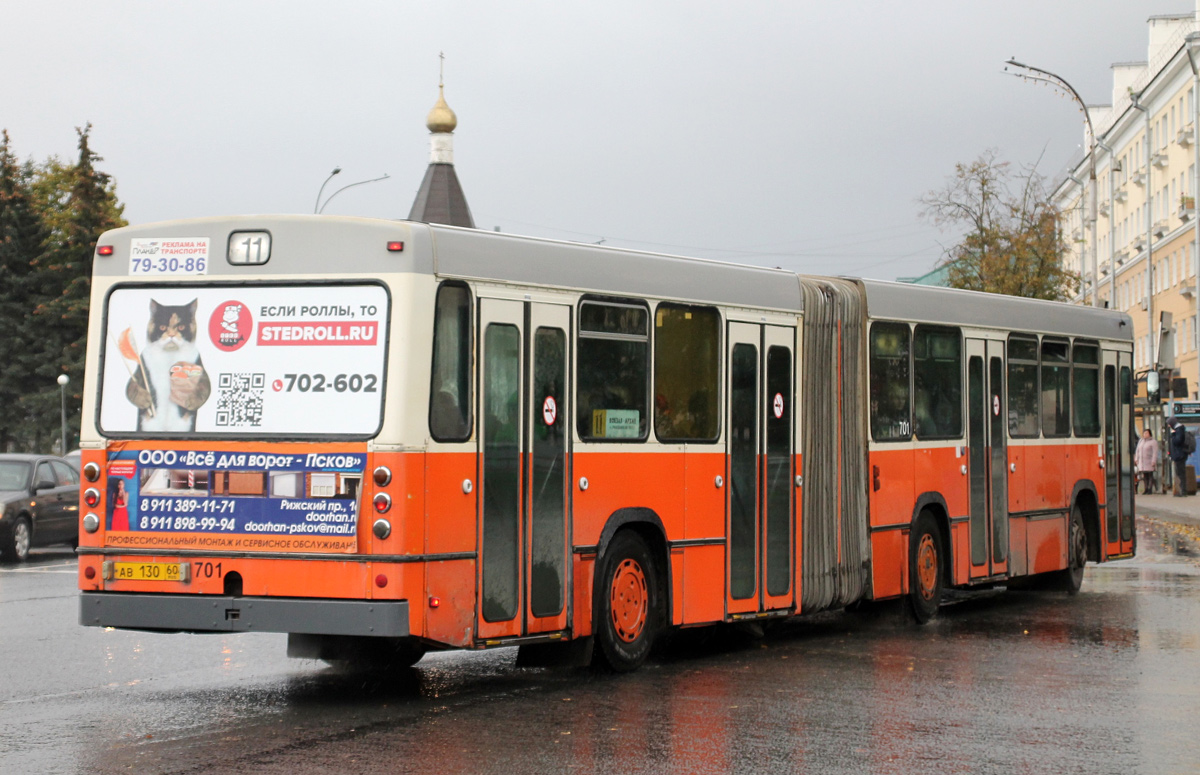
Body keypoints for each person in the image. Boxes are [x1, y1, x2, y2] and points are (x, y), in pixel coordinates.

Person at [1167, 417, 1189, 497]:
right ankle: (1180, 491)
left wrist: (1173, 434)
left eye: (1169, 424)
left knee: (1180, 473)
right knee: (1179, 473)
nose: (1169, 426)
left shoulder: (1179, 430)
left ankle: (1183, 491)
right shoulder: (1179, 429)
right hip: (1178, 455)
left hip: (1179, 455)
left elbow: (1177, 441)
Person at [1135, 427, 1159, 494]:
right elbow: (1137, 450)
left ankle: (1149, 489)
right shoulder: (1141, 441)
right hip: (1142, 461)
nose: (1145, 434)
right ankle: (1145, 488)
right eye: (1144, 433)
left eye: (1146, 433)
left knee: (1150, 475)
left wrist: (1153, 461)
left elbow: (1155, 452)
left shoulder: (1153, 442)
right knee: (1144, 476)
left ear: (1149, 434)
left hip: (1149, 461)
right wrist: (1136, 458)